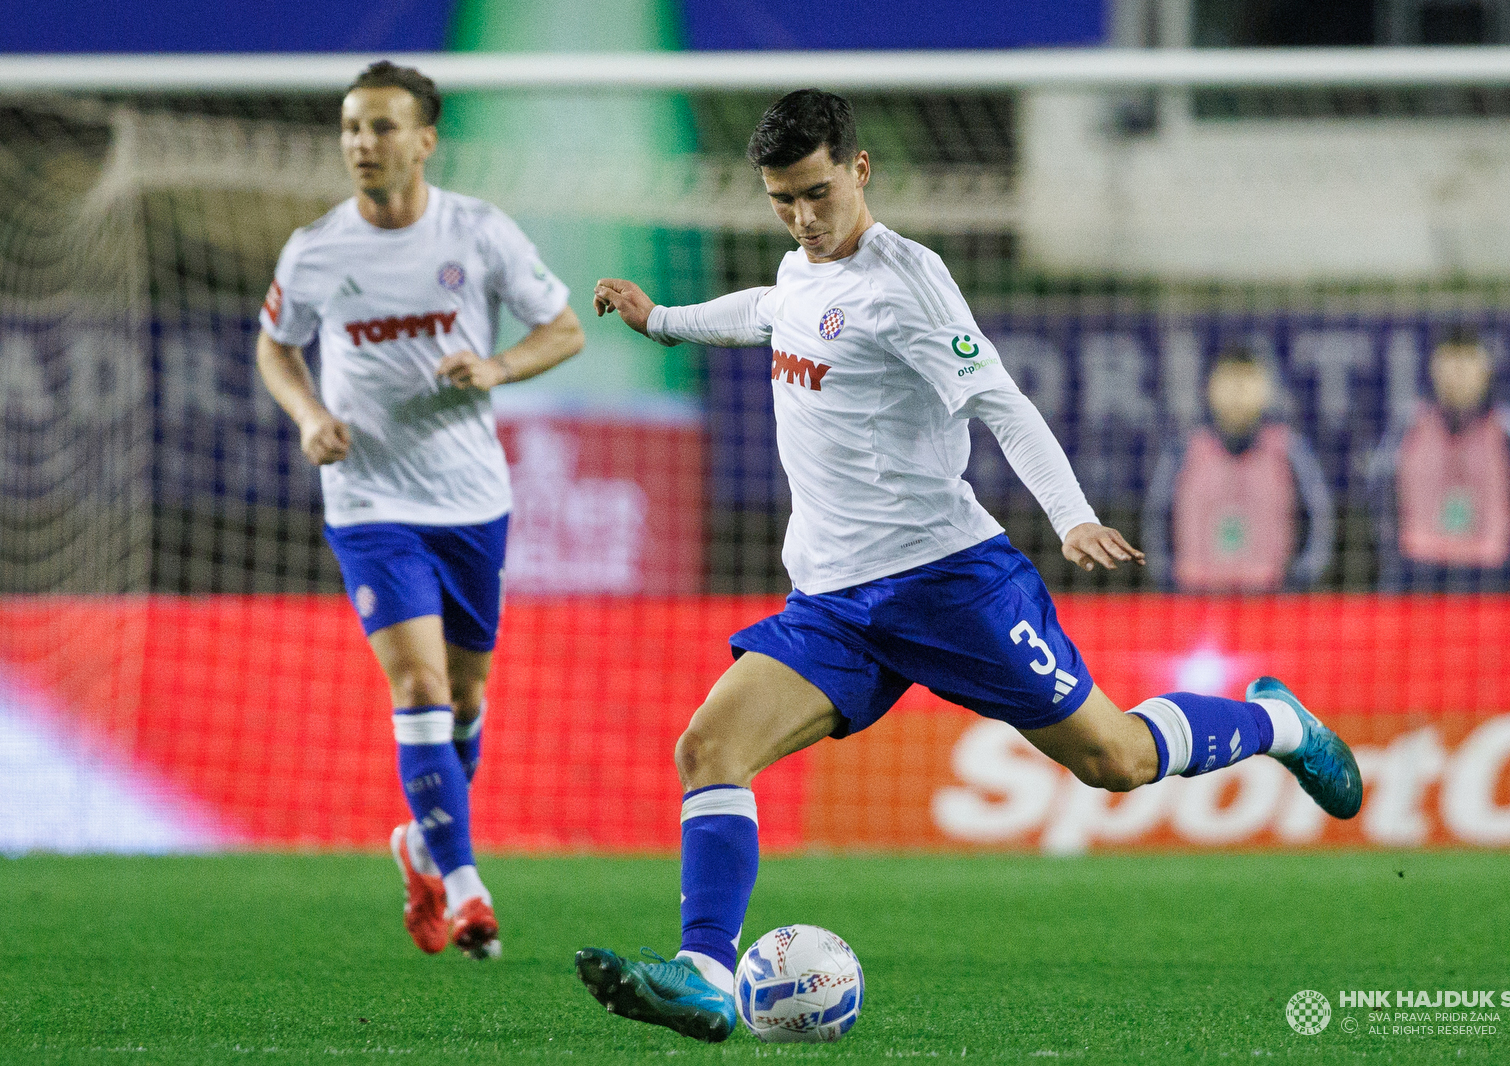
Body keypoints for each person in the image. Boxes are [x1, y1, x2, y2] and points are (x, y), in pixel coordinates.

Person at [576, 90, 1361, 1043]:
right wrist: (661, 322)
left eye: (818, 193)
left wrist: (1069, 518)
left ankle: (1281, 723)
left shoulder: (909, 282)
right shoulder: (801, 264)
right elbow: (773, 311)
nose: (803, 217)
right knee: (708, 748)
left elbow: (1003, 403)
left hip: (949, 584)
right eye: (783, 200)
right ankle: (702, 972)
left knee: (1114, 759)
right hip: (832, 604)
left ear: (859, 171)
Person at [256, 61, 584, 959]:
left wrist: (499, 368)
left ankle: (420, 844)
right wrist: (311, 414)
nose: (364, 143)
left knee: (467, 700)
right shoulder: (315, 248)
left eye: (383, 127)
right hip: (368, 501)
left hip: (472, 499)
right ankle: (469, 886)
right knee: (420, 689)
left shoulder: (478, 233)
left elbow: (565, 327)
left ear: (426, 140)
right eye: (353, 128)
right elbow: (275, 349)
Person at [1369, 328, 1510, 591]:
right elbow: (1378, 493)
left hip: (1490, 575)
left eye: (1468, 361)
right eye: (1449, 361)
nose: (1458, 372)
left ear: (1485, 368)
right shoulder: (1409, 424)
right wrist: (1395, 556)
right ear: (1434, 368)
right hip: (1417, 573)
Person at [1144, 348, 1333, 592]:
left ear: (1265, 390)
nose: (1237, 393)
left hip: (1268, 598)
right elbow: (1157, 516)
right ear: (1211, 389)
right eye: (1228, 382)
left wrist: (1300, 578)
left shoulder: (1287, 449)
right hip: (1197, 598)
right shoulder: (1185, 449)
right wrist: (1167, 578)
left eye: (1247, 382)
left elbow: (1318, 516)